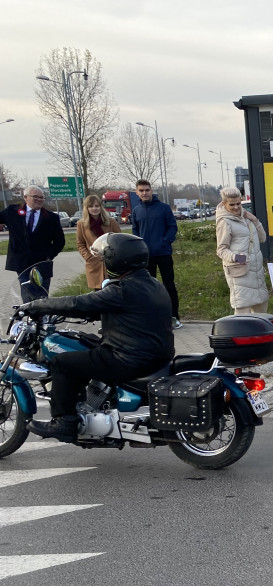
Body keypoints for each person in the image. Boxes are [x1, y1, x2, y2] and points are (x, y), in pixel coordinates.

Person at [19, 233, 174, 442]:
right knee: (85, 344)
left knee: (62, 363)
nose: (102, 260)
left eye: (104, 257)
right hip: (154, 354)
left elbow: (78, 303)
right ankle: (90, 402)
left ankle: (64, 422)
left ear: (116, 259)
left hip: (128, 358)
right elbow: (117, 309)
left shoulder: (121, 290)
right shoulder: (153, 284)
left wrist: (35, 305)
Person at [1, 186, 66, 302]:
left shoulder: (52, 218)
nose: (39, 200)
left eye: (42, 197)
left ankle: (42, 317)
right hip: (22, 262)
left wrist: (48, 256)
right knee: (28, 294)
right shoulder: (12, 212)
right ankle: (32, 317)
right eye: (35, 197)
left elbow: (60, 241)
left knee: (42, 294)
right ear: (25, 197)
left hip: (42, 263)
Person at [131, 179, 181, 329]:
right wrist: (140, 247)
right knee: (148, 287)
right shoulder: (136, 210)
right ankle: (152, 317)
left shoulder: (164, 208)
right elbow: (135, 231)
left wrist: (165, 242)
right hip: (146, 257)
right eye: (141, 190)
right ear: (137, 192)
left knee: (169, 285)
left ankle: (174, 317)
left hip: (164, 253)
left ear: (151, 191)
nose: (144, 193)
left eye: (147, 190)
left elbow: (172, 227)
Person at [215, 186, 268, 315]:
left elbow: (262, 238)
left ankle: (259, 335)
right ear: (224, 204)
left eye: (238, 203)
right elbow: (221, 250)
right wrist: (237, 258)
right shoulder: (224, 222)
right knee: (243, 313)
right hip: (240, 272)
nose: (236, 207)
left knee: (261, 312)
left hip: (256, 272)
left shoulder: (247, 218)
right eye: (231, 204)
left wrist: (254, 220)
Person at [76, 194, 120, 290]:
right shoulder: (81, 225)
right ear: (86, 208)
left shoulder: (111, 222)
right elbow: (80, 244)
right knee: (99, 295)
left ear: (101, 207)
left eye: (97, 206)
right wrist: (88, 257)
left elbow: (120, 240)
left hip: (112, 263)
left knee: (115, 292)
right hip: (95, 264)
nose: (94, 208)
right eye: (91, 206)